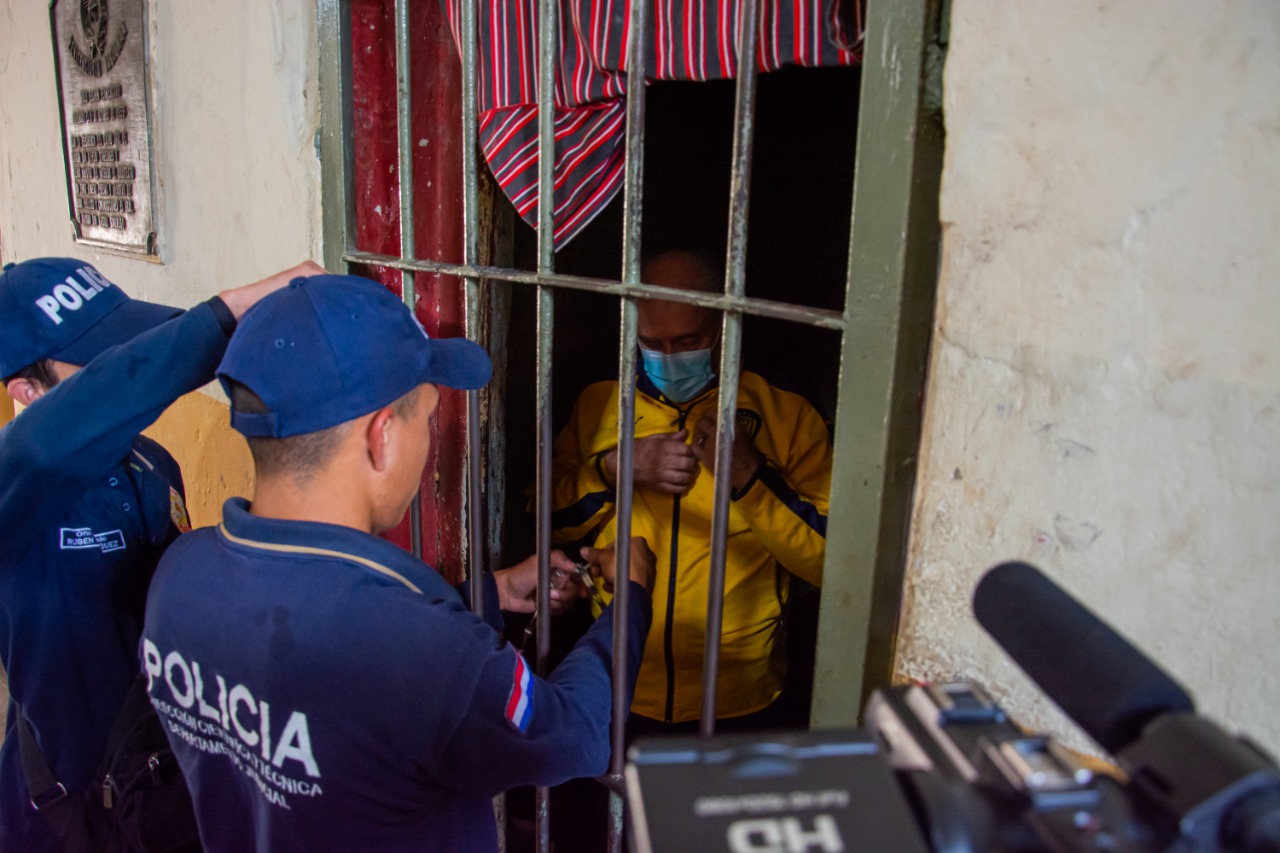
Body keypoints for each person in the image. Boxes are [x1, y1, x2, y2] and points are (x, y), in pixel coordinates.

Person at [140, 273, 655, 851]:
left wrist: (482, 594)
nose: (429, 440)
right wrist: (630, 599)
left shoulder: (178, 575)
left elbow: (343, 675)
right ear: (381, 436)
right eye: (428, 419)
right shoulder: (422, 651)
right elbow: (576, 735)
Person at [0, 256, 323, 851]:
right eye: (101, 360)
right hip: (67, 808)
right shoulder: (15, 493)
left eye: (128, 343)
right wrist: (225, 314)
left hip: (158, 784)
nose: (125, 361)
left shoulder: (152, 464)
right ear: (27, 390)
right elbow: (49, 443)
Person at [551, 249, 832, 733]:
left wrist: (749, 477)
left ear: (725, 324)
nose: (670, 356)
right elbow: (550, 523)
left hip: (741, 690)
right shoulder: (601, 401)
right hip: (618, 672)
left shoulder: (787, 410)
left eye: (688, 340)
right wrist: (615, 469)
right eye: (651, 343)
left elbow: (832, 563)